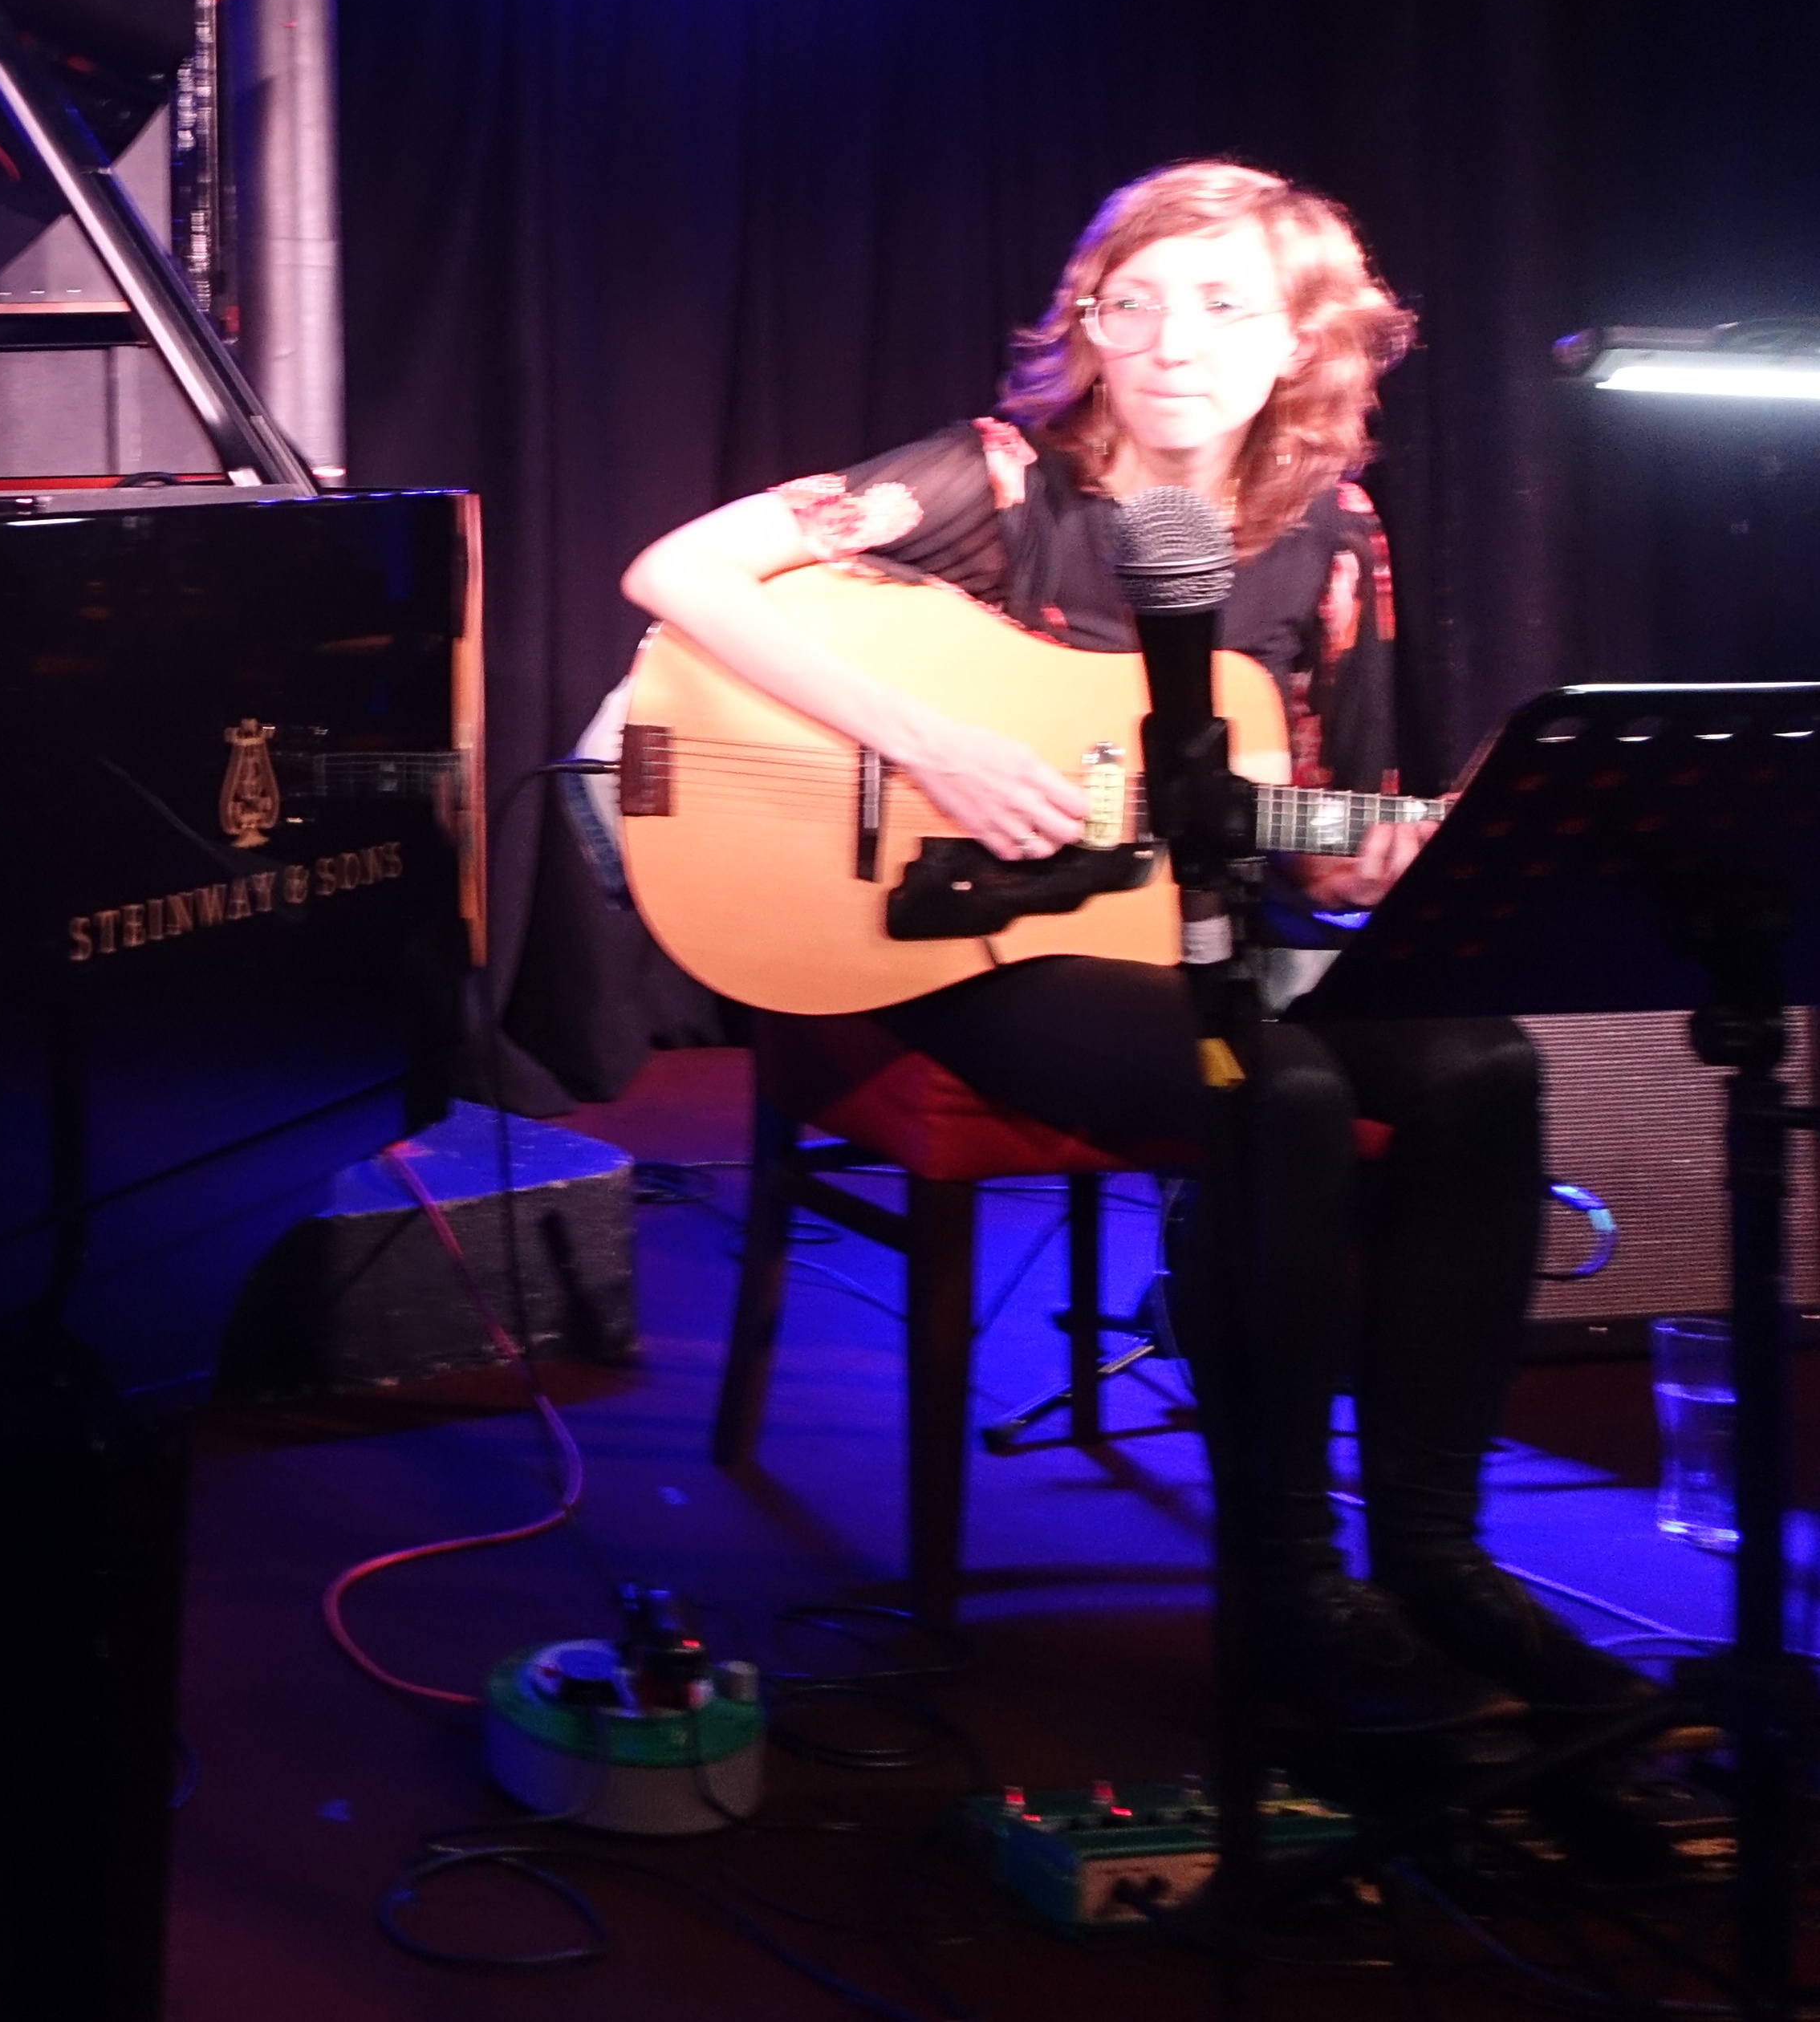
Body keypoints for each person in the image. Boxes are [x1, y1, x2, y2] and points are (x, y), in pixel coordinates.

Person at [620, 158, 1643, 1748]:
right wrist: (933, 741)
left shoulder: (1335, 534)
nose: (1169, 339)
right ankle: (1285, 1580)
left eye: (1222, 302)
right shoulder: (993, 479)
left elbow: (1341, 826)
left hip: (1220, 930)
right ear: (1085, 324)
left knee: (1480, 1063)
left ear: (1305, 333)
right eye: (1132, 299)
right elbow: (673, 570)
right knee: (1281, 1092)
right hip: (982, 952)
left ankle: (1438, 1555)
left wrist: (1383, 855)